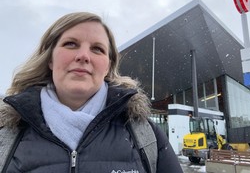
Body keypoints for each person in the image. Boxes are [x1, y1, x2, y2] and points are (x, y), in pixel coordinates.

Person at [0, 12, 183, 173]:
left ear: (108, 66)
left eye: (97, 49)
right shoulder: (7, 134)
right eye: (71, 44)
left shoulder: (145, 135)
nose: (84, 56)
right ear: (50, 59)